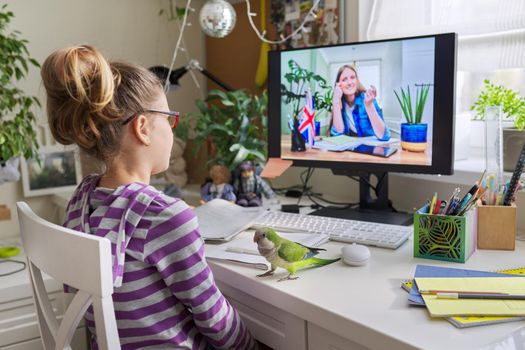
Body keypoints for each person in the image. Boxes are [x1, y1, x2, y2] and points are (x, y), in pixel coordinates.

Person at [41, 45, 255, 350]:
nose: (171, 130)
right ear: (142, 127)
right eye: (169, 118)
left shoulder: (81, 200)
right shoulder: (166, 217)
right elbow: (214, 319)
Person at [330, 64, 390, 141]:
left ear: (357, 81)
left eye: (352, 78)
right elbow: (337, 135)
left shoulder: (368, 99)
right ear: (338, 85)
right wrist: (335, 101)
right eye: (344, 79)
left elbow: (384, 136)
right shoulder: (341, 104)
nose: (349, 83)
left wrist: (369, 106)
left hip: (374, 149)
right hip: (354, 150)